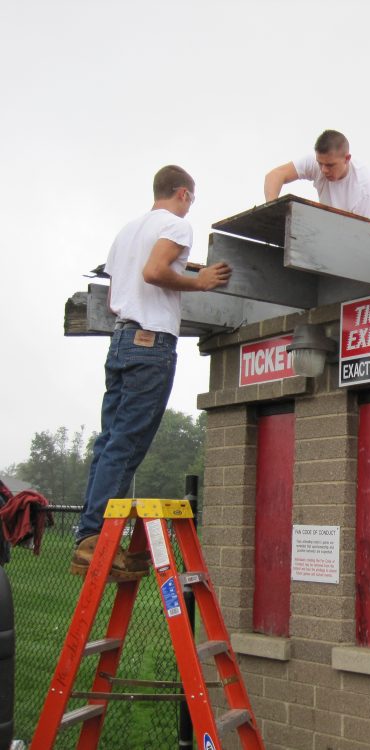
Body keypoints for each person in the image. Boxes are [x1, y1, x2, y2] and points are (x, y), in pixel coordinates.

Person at [71, 165, 231, 581]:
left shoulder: (126, 232)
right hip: (150, 344)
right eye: (190, 198)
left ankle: (88, 537)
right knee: (126, 444)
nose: (190, 205)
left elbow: (129, 284)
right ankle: (96, 539)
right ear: (183, 193)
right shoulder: (176, 225)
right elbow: (154, 272)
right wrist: (201, 280)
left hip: (122, 339)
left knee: (109, 441)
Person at [263, 129, 370, 220]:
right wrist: (271, 209)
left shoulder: (367, 187)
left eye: (330, 165)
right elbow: (275, 175)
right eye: (320, 163)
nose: (324, 170)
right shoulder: (316, 163)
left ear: (347, 159)